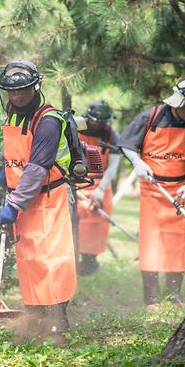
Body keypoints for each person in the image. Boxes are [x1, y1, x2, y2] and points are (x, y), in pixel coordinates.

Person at [0, 60, 76, 344]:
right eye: (11, 93)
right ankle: (35, 321)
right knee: (29, 260)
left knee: (51, 260)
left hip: (47, 198)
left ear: (36, 86)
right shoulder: (12, 112)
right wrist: (5, 173)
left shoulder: (49, 120)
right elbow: (15, 152)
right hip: (22, 197)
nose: (16, 98)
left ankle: (57, 326)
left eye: (22, 92)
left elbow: (38, 168)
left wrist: (13, 205)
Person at [119, 79, 185, 310]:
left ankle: (174, 295)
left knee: (177, 242)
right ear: (179, 101)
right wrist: (137, 162)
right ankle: (151, 298)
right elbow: (127, 143)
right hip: (152, 188)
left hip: (180, 191)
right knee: (151, 241)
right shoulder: (150, 118)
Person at [76, 101, 121, 276]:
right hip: (78, 183)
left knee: (96, 225)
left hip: (100, 184)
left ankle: (90, 262)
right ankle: (73, 259)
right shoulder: (76, 128)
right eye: (95, 121)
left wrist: (101, 190)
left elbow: (113, 166)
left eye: (101, 122)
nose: (97, 125)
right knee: (75, 222)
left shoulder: (111, 135)